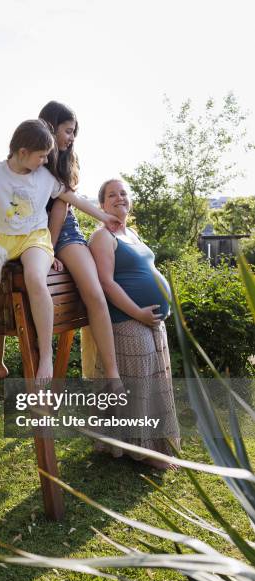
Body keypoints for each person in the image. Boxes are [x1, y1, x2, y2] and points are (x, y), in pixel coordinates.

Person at [0, 119, 121, 389]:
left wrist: (105, 216)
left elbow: (74, 200)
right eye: (42, 156)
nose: (46, 161)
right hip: (3, 242)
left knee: (35, 276)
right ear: (23, 153)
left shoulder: (44, 177)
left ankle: (45, 356)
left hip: (36, 239)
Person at [85, 178, 180, 469]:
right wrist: (138, 312)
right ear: (101, 205)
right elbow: (106, 283)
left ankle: (142, 444)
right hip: (126, 320)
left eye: (124, 193)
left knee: (155, 384)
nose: (119, 198)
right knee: (139, 388)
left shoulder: (133, 234)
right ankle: (145, 452)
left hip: (150, 322)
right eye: (111, 195)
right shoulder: (102, 237)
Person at [38, 101, 120, 381]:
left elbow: (62, 209)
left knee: (95, 294)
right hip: (34, 235)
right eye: (68, 131)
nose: (71, 138)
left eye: (74, 133)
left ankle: (112, 374)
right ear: (51, 127)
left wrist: (50, 248)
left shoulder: (66, 162)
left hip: (64, 234)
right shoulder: (34, 160)